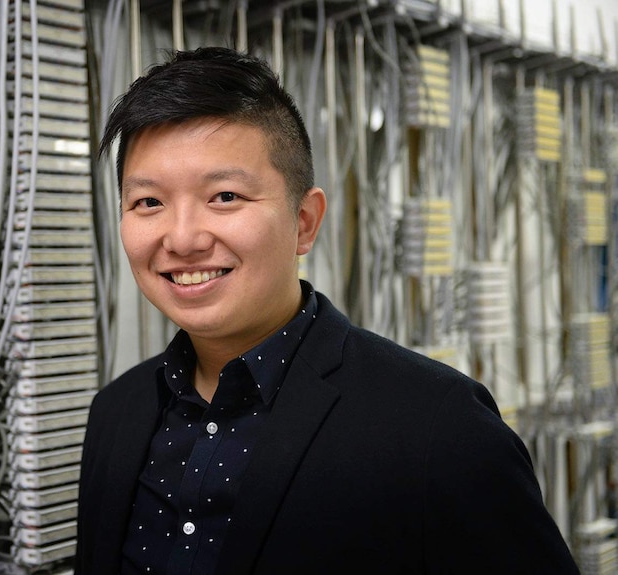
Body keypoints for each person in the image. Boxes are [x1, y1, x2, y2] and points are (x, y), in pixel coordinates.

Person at [76, 47, 579, 574]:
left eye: (224, 196)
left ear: (305, 222)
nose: (182, 238)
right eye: (148, 203)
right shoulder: (116, 415)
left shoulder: (438, 428)